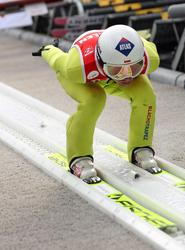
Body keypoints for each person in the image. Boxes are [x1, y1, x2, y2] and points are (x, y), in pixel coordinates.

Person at [40, 25, 162, 184]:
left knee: (145, 94)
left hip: (105, 73)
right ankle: (79, 158)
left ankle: (141, 148)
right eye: (117, 69)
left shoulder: (149, 58)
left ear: (141, 60)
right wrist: (48, 49)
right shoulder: (77, 67)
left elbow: (139, 50)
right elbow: (57, 59)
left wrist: (118, 71)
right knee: (94, 100)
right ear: (101, 61)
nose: (126, 76)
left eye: (133, 67)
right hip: (87, 75)